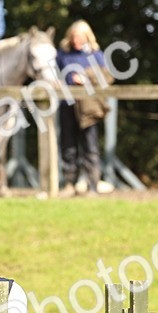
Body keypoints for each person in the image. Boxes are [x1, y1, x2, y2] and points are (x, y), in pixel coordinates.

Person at [56, 20, 109, 195]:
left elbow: (107, 77)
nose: (76, 40)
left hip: (88, 108)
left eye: (79, 36)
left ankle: (92, 185)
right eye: (73, 36)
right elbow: (55, 74)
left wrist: (85, 77)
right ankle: (69, 184)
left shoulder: (96, 54)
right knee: (68, 146)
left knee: (90, 147)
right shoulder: (63, 54)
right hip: (67, 105)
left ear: (87, 37)